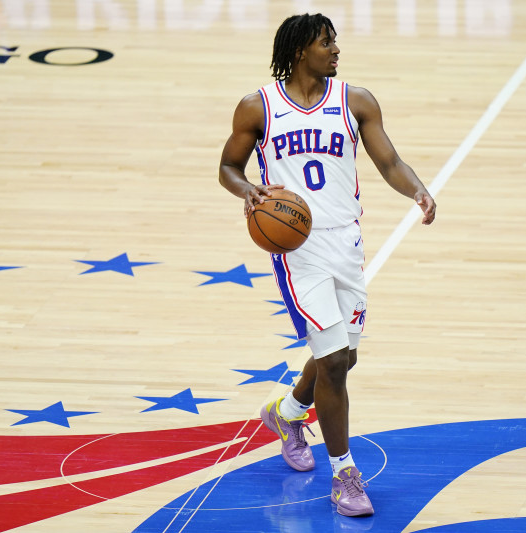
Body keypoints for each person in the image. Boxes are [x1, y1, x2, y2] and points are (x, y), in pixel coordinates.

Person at [218, 13, 436, 517]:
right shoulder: (259, 107)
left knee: (342, 354)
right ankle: (344, 475)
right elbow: (228, 166)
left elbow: (388, 162)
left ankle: (288, 413)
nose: (335, 50)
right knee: (335, 361)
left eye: (335, 42)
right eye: (325, 43)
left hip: (347, 243)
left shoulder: (356, 101)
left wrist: (418, 190)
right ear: (299, 51)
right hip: (297, 249)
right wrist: (249, 190)